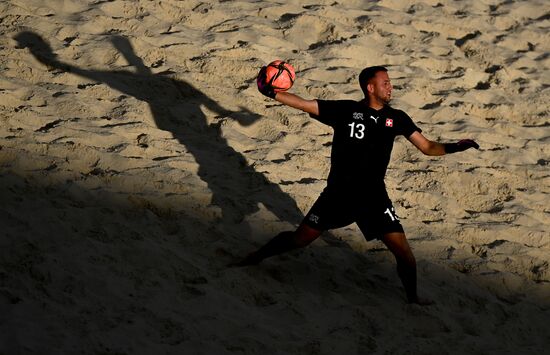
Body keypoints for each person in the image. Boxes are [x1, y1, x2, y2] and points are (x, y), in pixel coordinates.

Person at [235, 64, 479, 305]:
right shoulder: (345, 111)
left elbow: (427, 147)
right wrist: (270, 92)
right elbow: (304, 104)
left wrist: (456, 147)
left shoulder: (397, 118)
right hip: (338, 195)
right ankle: (255, 257)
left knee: (404, 253)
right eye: (385, 83)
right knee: (300, 239)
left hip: (374, 197)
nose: (390, 88)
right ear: (370, 87)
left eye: (390, 83)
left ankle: (412, 298)